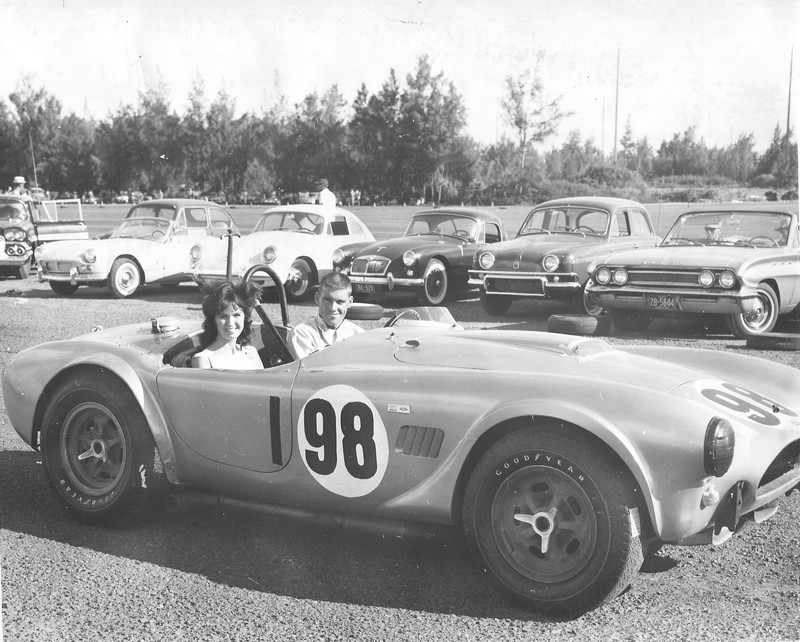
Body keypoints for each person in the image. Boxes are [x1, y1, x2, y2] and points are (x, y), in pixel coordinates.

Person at [288, 272, 363, 359]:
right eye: (327, 300)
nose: (333, 308)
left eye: (340, 302)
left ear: (350, 302)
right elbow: (307, 371)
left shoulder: (359, 334)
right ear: (317, 298)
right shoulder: (302, 334)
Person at [192, 280, 263, 369]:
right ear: (213, 320)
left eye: (236, 315)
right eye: (223, 316)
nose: (230, 322)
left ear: (245, 317)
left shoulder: (251, 353)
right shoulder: (204, 360)